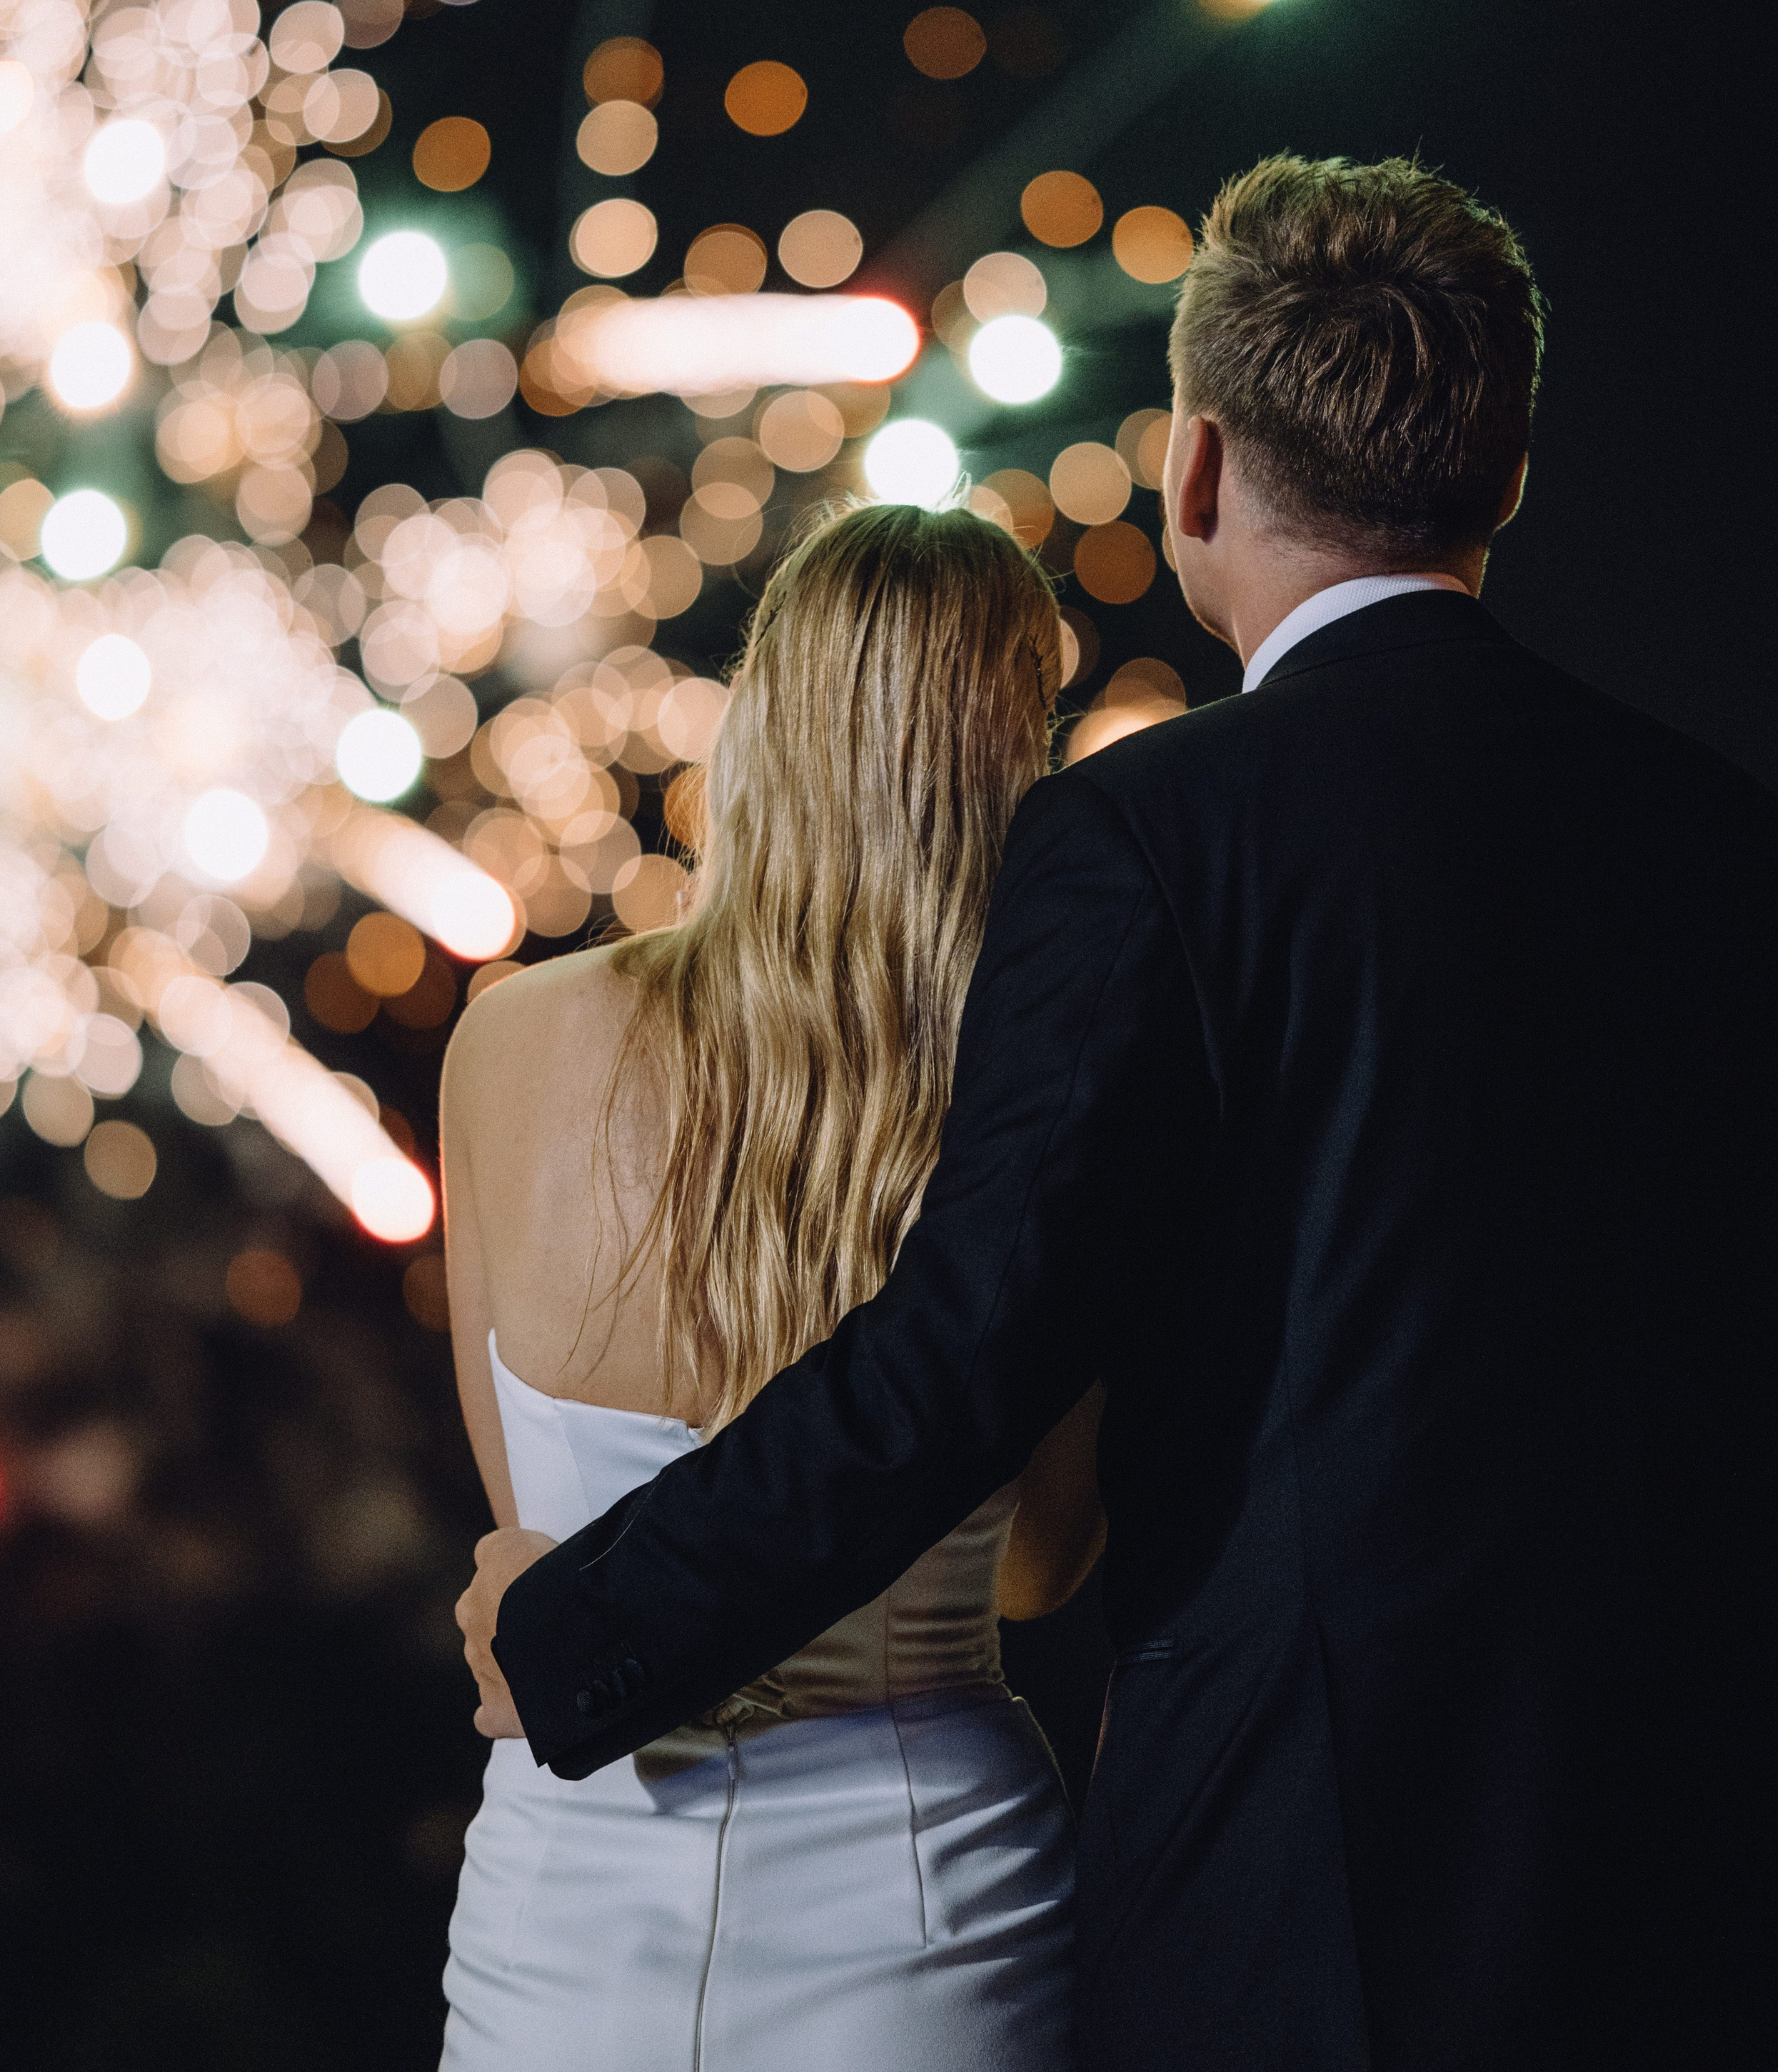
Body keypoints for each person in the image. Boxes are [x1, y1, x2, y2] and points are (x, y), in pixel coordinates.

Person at [461, 154, 1777, 2068]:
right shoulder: (1717, 835)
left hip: (1298, 1861)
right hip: (1690, 1842)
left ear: (1196, 470)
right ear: (1501, 471)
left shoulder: (1149, 838)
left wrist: (591, 1622)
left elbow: (969, 1346)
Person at [438, 504, 1105, 2068]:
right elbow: (1044, 1559)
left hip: (570, 1878)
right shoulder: (1040, 1106)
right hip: (924, 1896)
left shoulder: (509, 1044)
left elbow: (531, 1539)